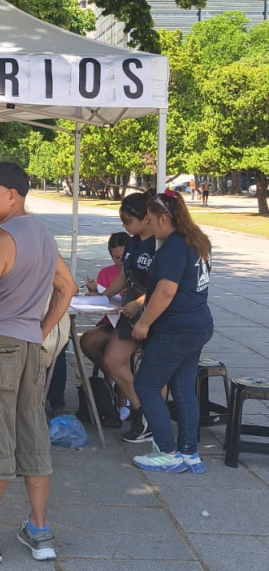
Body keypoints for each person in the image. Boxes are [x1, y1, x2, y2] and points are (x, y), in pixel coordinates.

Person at [0, 163, 77, 565]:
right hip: (28, 348)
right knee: (32, 434)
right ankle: (40, 532)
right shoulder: (42, 234)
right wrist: (40, 330)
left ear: (13, 195)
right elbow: (68, 287)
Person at [131, 190, 213, 473]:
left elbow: (166, 291)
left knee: (146, 386)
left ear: (164, 218)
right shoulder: (196, 240)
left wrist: (144, 323)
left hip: (176, 329)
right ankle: (189, 452)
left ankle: (168, 452)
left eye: (150, 218)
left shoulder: (174, 247)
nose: (148, 224)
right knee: (182, 387)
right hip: (197, 324)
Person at [98, 194, 157, 445]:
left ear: (146, 218)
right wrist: (102, 296)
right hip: (130, 311)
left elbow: (163, 286)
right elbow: (124, 275)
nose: (125, 225)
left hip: (153, 311)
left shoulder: (160, 243)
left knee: (153, 369)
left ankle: (152, 418)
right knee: (112, 359)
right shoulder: (133, 242)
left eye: (128, 221)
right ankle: (140, 409)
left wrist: (140, 302)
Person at [78, 230, 128, 393]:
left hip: (131, 324)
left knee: (117, 349)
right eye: (116, 258)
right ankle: (114, 376)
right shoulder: (106, 273)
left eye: (124, 257)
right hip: (111, 323)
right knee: (88, 341)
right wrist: (96, 294)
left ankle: (122, 385)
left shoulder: (138, 271)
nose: (121, 262)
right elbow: (104, 300)